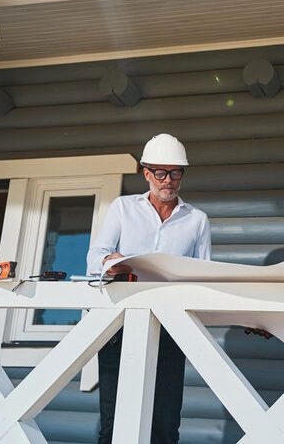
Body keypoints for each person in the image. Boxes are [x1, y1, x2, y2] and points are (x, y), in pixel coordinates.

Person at [86, 133, 211, 444]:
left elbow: (205, 276)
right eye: (160, 172)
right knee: (113, 425)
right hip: (119, 328)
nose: (168, 180)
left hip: (171, 331)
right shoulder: (122, 208)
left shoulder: (197, 220)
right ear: (146, 173)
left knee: (165, 427)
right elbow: (94, 256)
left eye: (175, 172)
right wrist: (110, 261)